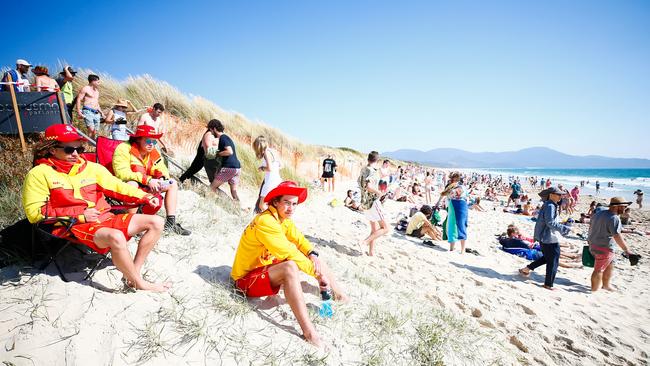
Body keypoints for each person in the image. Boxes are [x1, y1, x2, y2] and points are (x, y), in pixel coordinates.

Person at [22, 124, 169, 292]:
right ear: (52, 149)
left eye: (80, 148)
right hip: (74, 225)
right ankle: (138, 282)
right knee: (116, 237)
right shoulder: (39, 174)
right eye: (70, 149)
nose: (76, 154)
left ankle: (133, 273)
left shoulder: (91, 168)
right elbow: (35, 214)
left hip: (104, 218)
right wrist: (80, 215)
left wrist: (145, 197)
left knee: (156, 222)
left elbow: (118, 187)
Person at [231, 181, 347, 347]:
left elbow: (300, 240)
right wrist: (318, 274)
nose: (291, 208)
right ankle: (309, 333)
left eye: (294, 204)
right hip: (244, 282)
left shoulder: (282, 219)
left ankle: (341, 296)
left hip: (263, 269)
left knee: (315, 258)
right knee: (290, 266)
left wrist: (312, 254)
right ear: (276, 202)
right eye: (287, 202)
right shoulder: (266, 221)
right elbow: (288, 253)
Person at [112, 125, 191, 235]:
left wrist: (162, 178)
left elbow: (161, 168)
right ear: (138, 139)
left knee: (172, 183)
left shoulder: (153, 151)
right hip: (127, 184)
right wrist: (147, 180)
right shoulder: (123, 148)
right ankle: (132, 222)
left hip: (146, 184)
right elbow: (122, 173)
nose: (151, 144)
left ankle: (171, 223)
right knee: (132, 184)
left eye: (154, 141)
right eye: (148, 140)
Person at [518, 187, 573, 290]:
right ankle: (548, 284)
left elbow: (548, 221)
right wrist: (565, 228)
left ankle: (526, 269)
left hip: (545, 237)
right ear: (551, 195)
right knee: (553, 261)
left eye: (561, 194)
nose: (561, 196)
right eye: (559, 194)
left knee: (548, 258)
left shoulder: (549, 204)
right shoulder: (550, 205)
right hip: (549, 238)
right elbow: (550, 222)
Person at [588, 197, 636, 292]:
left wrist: (589, 240)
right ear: (616, 207)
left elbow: (590, 227)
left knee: (610, 265)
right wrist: (627, 250)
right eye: (624, 206)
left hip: (593, 244)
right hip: (604, 248)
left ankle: (606, 285)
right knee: (598, 269)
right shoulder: (614, 218)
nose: (625, 209)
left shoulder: (598, 214)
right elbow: (617, 236)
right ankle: (594, 291)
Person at [358, 151, 389, 256]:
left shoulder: (363, 169)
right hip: (372, 202)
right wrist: (379, 193)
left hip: (364, 202)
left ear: (368, 159)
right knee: (385, 228)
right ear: (377, 160)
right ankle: (364, 242)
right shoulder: (372, 171)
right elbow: (369, 187)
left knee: (374, 229)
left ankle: (371, 252)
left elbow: (361, 184)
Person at [209, 119, 241, 201]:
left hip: (229, 168)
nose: (211, 133)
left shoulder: (223, 138)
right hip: (237, 168)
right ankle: (238, 208)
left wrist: (217, 154)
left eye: (211, 130)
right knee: (234, 191)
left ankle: (209, 202)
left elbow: (229, 152)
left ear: (215, 129)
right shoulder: (227, 138)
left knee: (212, 187)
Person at [438, 172, 469, 254]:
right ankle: (462, 250)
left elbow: (444, 195)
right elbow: (466, 197)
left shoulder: (451, 186)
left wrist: (438, 203)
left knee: (452, 225)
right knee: (461, 225)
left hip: (453, 205)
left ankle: (453, 248)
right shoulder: (462, 187)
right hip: (461, 205)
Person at [253, 135, 282, 212]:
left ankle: (274, 220)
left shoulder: (266, 152)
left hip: (270, 181)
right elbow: (281, 166)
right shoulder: (273, 151)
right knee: (270, 204)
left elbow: (270, 168)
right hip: (277, 180)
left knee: (262, 205)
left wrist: (262, 168)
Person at [76, 74, 104, 139]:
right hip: (88, 111)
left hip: (96, 112)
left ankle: (91, 146)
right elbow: (79, 99)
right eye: (98, 82)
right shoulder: (85, 88)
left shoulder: (97, 92)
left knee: (95, 132)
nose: (99, 83)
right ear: (93, 81)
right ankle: (89, 144)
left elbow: (97, 103)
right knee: (91, 129)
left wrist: (101, 112)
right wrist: (79, 111)